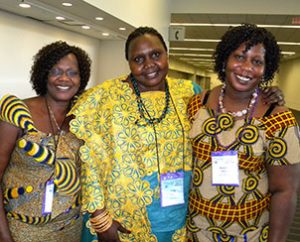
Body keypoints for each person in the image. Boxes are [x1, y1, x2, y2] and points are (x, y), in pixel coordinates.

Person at [69, 26, 285, 242]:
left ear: (167, 55)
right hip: (122, 218)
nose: (149, 65)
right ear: (128, 62)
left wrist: (264, 93)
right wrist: (99, 216)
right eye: (138, 59)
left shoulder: (189, 92)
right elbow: (87, 159)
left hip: (180, 216)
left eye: (156, 55)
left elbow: (228, 103)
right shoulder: (103, 98)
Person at [187, 23, 300, 242]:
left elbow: (285, 191)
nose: (246, 68)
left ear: (266, 69)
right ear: (224, 60)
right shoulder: (195, 105)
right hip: (195, 231)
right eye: (239, 57)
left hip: (249, 233)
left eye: (257, 62)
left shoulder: (278, 119)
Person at [0, 41, 91, 242]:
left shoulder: (84, 115)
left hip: (71, 227)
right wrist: (3, 235)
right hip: (22, 230)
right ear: (44, 74)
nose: (64, 78)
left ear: (81, 77)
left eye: (72, 72)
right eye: (56, 71)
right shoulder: (18, 111)